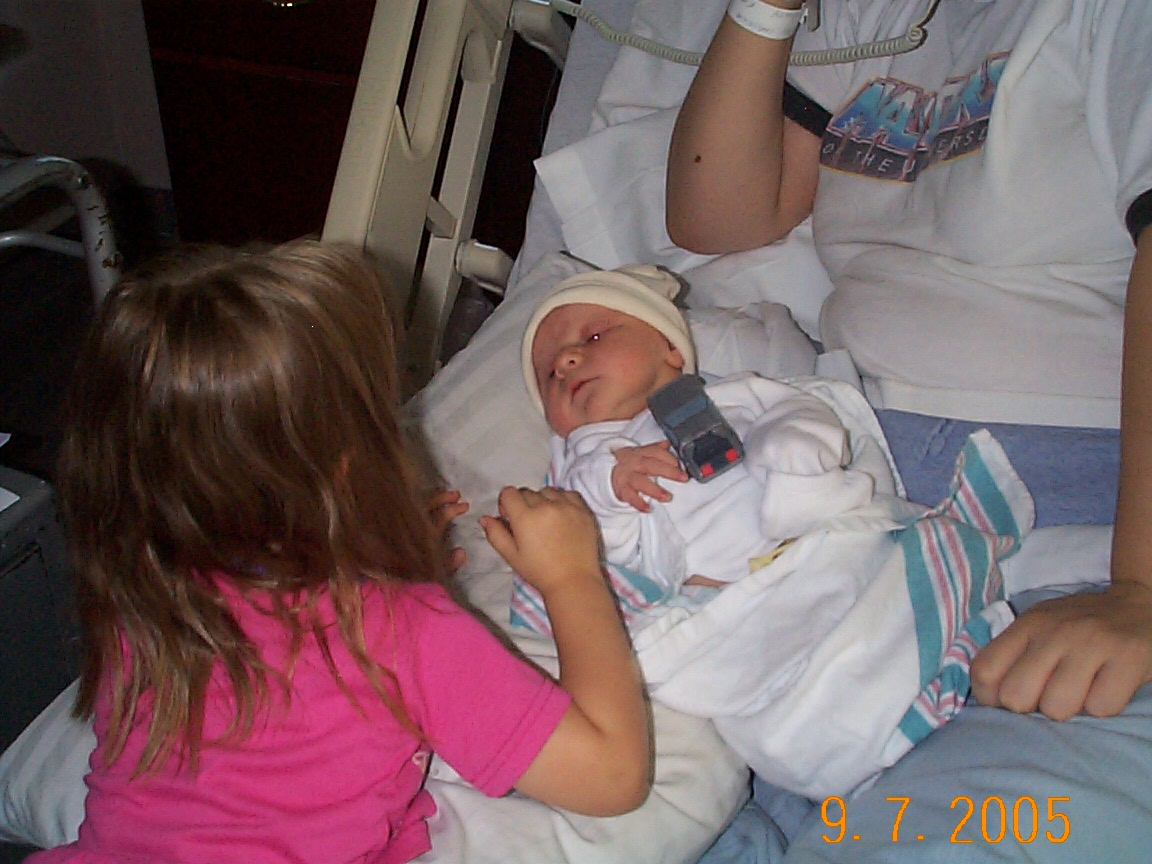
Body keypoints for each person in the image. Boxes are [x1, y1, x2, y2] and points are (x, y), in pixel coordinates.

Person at [32, 241, 651, 864]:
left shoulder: (139, 595)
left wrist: (374, 551)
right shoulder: (401, 633)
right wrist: (571, 577)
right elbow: (612, 776)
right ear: (350, 467)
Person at [666, 0, 1152, 722]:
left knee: (971, 788)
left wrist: (1139, 590)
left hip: (1058, 505)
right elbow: (716, 217)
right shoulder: (879, 16)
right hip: (859, 481)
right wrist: (767, 9)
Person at [510, 262, 883, 634]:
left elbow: (805, 409)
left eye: (593, 337)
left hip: (818, 543)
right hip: (717, 606)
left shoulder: (735, 395)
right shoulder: (584, 474)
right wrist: (610, 485)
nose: (566, 361)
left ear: (670, 348)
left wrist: (788, 446)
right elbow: (585, 560)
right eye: (549, 375)